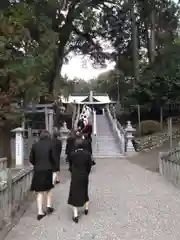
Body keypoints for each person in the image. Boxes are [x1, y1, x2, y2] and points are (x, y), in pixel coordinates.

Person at [29, 130, 55, 221]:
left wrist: (36, 164)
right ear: (48, 136)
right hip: (48, 169)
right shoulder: (50, 145)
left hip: (38, 170)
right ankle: (48, 206)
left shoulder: (35, 145)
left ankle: (40, 212)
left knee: (39, 192)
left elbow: (31, 159)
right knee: (48, 189)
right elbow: (52, 158)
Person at [68, 138, 92, 223]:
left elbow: (70, 165)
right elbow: (89, 165)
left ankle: (75, 214)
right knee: (84, 190)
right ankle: (86, 208)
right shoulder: (87, 154)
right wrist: (87, 172)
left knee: (74, 193)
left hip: (75, 175)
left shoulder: (72, 154)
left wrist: (72, 171)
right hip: (84, 174)